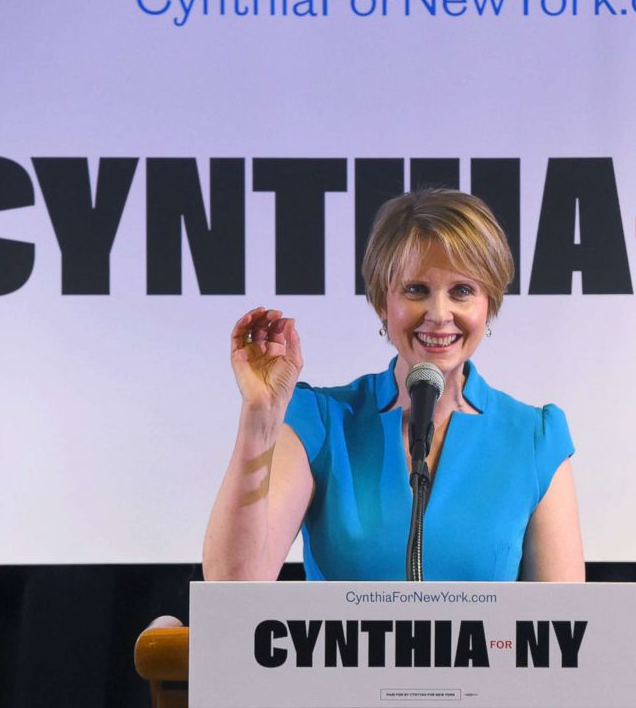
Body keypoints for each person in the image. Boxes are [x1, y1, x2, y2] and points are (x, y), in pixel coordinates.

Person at [203, 189, 584, 582]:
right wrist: (260, 414)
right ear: (383, 302)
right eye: (416, 289)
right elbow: (232, 590)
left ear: (490, 302)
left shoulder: (535, 437)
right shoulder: (321, 422)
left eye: (462, 291)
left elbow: (569, 629)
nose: (438, 314)